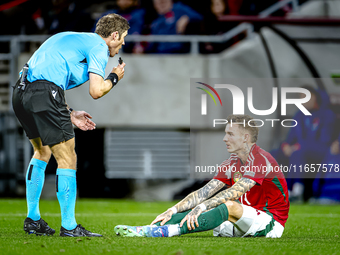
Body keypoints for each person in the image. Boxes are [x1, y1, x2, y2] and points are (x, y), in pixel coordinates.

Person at [12, 13, 130, 237]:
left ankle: (33, 219)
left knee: (42, 151)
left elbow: (47, 76)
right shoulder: (98, 46)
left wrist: (70, 113)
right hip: (44, 93)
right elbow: (96, 91)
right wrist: (114, 77)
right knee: (68, 158)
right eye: (123, 37)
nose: (123, 43)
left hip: (21, 92)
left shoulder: (74, 38)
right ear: (114, 35)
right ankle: (69, 226)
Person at [114, 115, 290, 238]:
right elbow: (204, 192)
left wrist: (203, 206)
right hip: (244, 221)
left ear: (245, 137)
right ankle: (147, 229)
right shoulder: (231, 162)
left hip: (270, 223)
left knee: (228, 206)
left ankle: (169, 232)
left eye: (230, 134)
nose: (224, 138)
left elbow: (235, 192)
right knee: (201, 210)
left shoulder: (261, 159)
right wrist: (173, 209)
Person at [272, 86, 336, 202]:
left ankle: (297, 192)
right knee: (274, 154)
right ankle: (269, 190)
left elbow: (325, 140)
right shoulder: (299, 115)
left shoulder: (327, 115)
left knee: (299, 152)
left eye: (305, 97)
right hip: (298, 149)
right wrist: (285, 146)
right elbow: (290, 138)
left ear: (314, 97)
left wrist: (299, 146)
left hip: (320, 150)